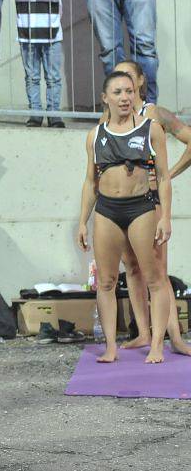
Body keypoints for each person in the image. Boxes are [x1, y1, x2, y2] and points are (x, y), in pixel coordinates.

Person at [76, 71, 172, 364]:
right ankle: (110, 347)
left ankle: (157, 344)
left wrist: (165, 216)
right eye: (117, 92)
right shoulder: (95, 136)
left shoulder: (150, 129)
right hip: (107, 210)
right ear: (105, 98)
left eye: (129, 91)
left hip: (140, 208)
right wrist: (82, 220)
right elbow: (90, 182)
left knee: (153, 278)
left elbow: (164, 178)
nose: (125, 98)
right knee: (105, 281)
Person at [103, 61, 190, 357]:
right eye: (118, 76)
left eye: (129, 76)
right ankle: (143, 332)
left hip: (150, 201)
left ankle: (175, 338)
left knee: (157, 270)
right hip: (122, 203)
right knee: (132, 267)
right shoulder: (113, 113)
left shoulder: (154, 114)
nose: (124, 82)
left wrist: (169, 173)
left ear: (140, 80)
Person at [1, 0, 74, 128]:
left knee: (53, 77)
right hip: (28, 37)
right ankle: (35, 113)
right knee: (32, 77)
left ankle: (54, 115)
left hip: (52, 36)